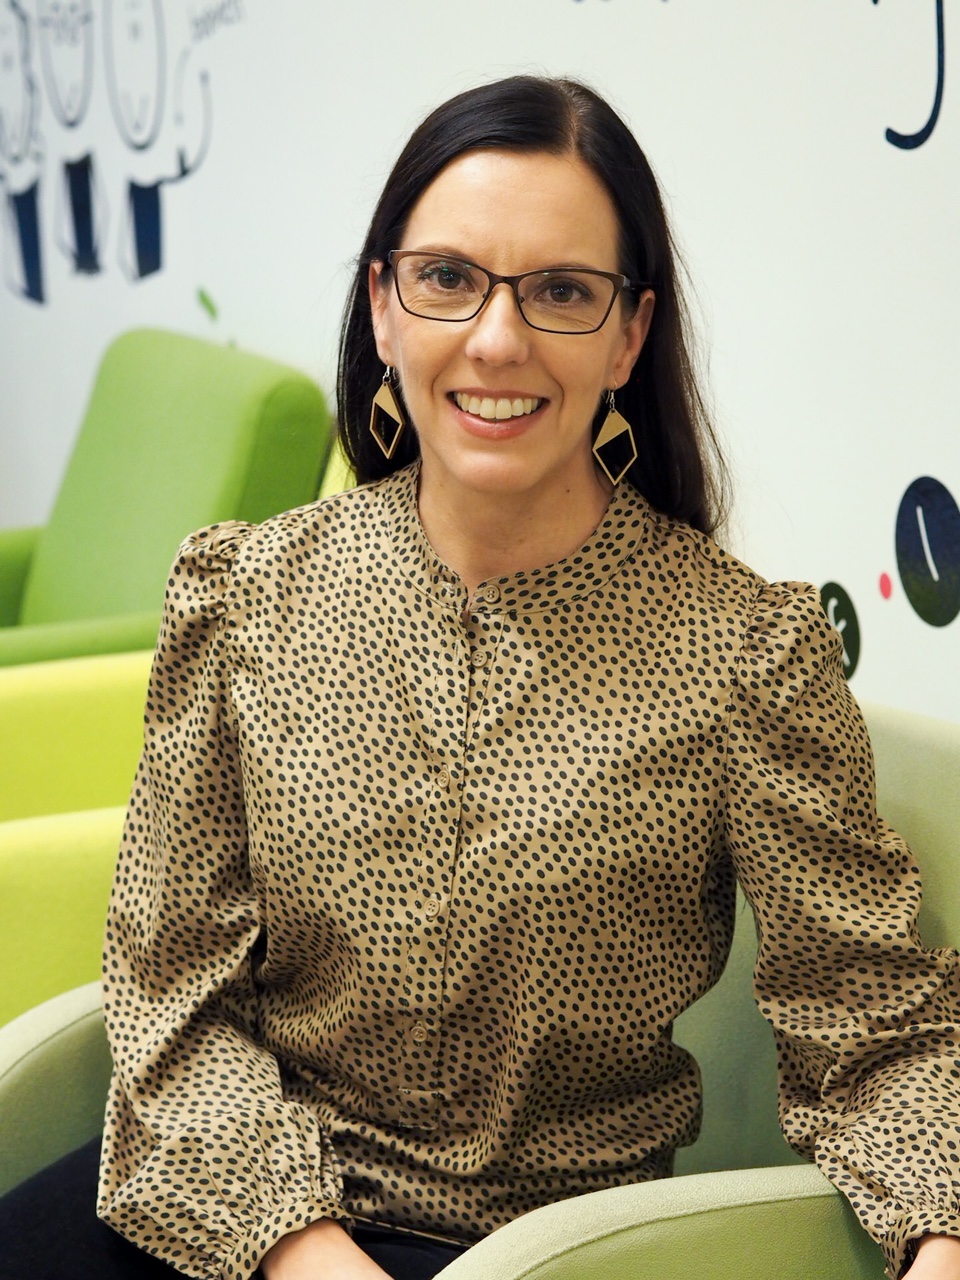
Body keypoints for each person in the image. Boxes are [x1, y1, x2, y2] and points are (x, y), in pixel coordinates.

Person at [3, 75, 958, 1280]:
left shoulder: (743, 652)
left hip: (541, 1252)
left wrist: (940, 1236)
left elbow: (870, 1018)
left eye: (561, 291)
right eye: (448, 277)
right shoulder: (248, 594)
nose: (498, 338)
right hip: (233, 1205)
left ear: (629, 335)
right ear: (383, 307)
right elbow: (170, 983)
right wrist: (303, 1246)